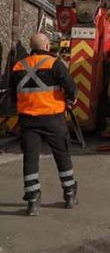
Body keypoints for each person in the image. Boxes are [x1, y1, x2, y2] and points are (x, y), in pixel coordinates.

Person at [10, 32, 78, 216]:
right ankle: (70, 194)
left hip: (28, 121)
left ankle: (32, 201)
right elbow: (71, 88)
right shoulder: (55, 64)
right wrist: (71, 101)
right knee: (62, 155)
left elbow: (11, 96)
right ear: (47, 46)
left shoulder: (17, 66)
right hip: (53, 119)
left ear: (32, 47)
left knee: (30, 159)